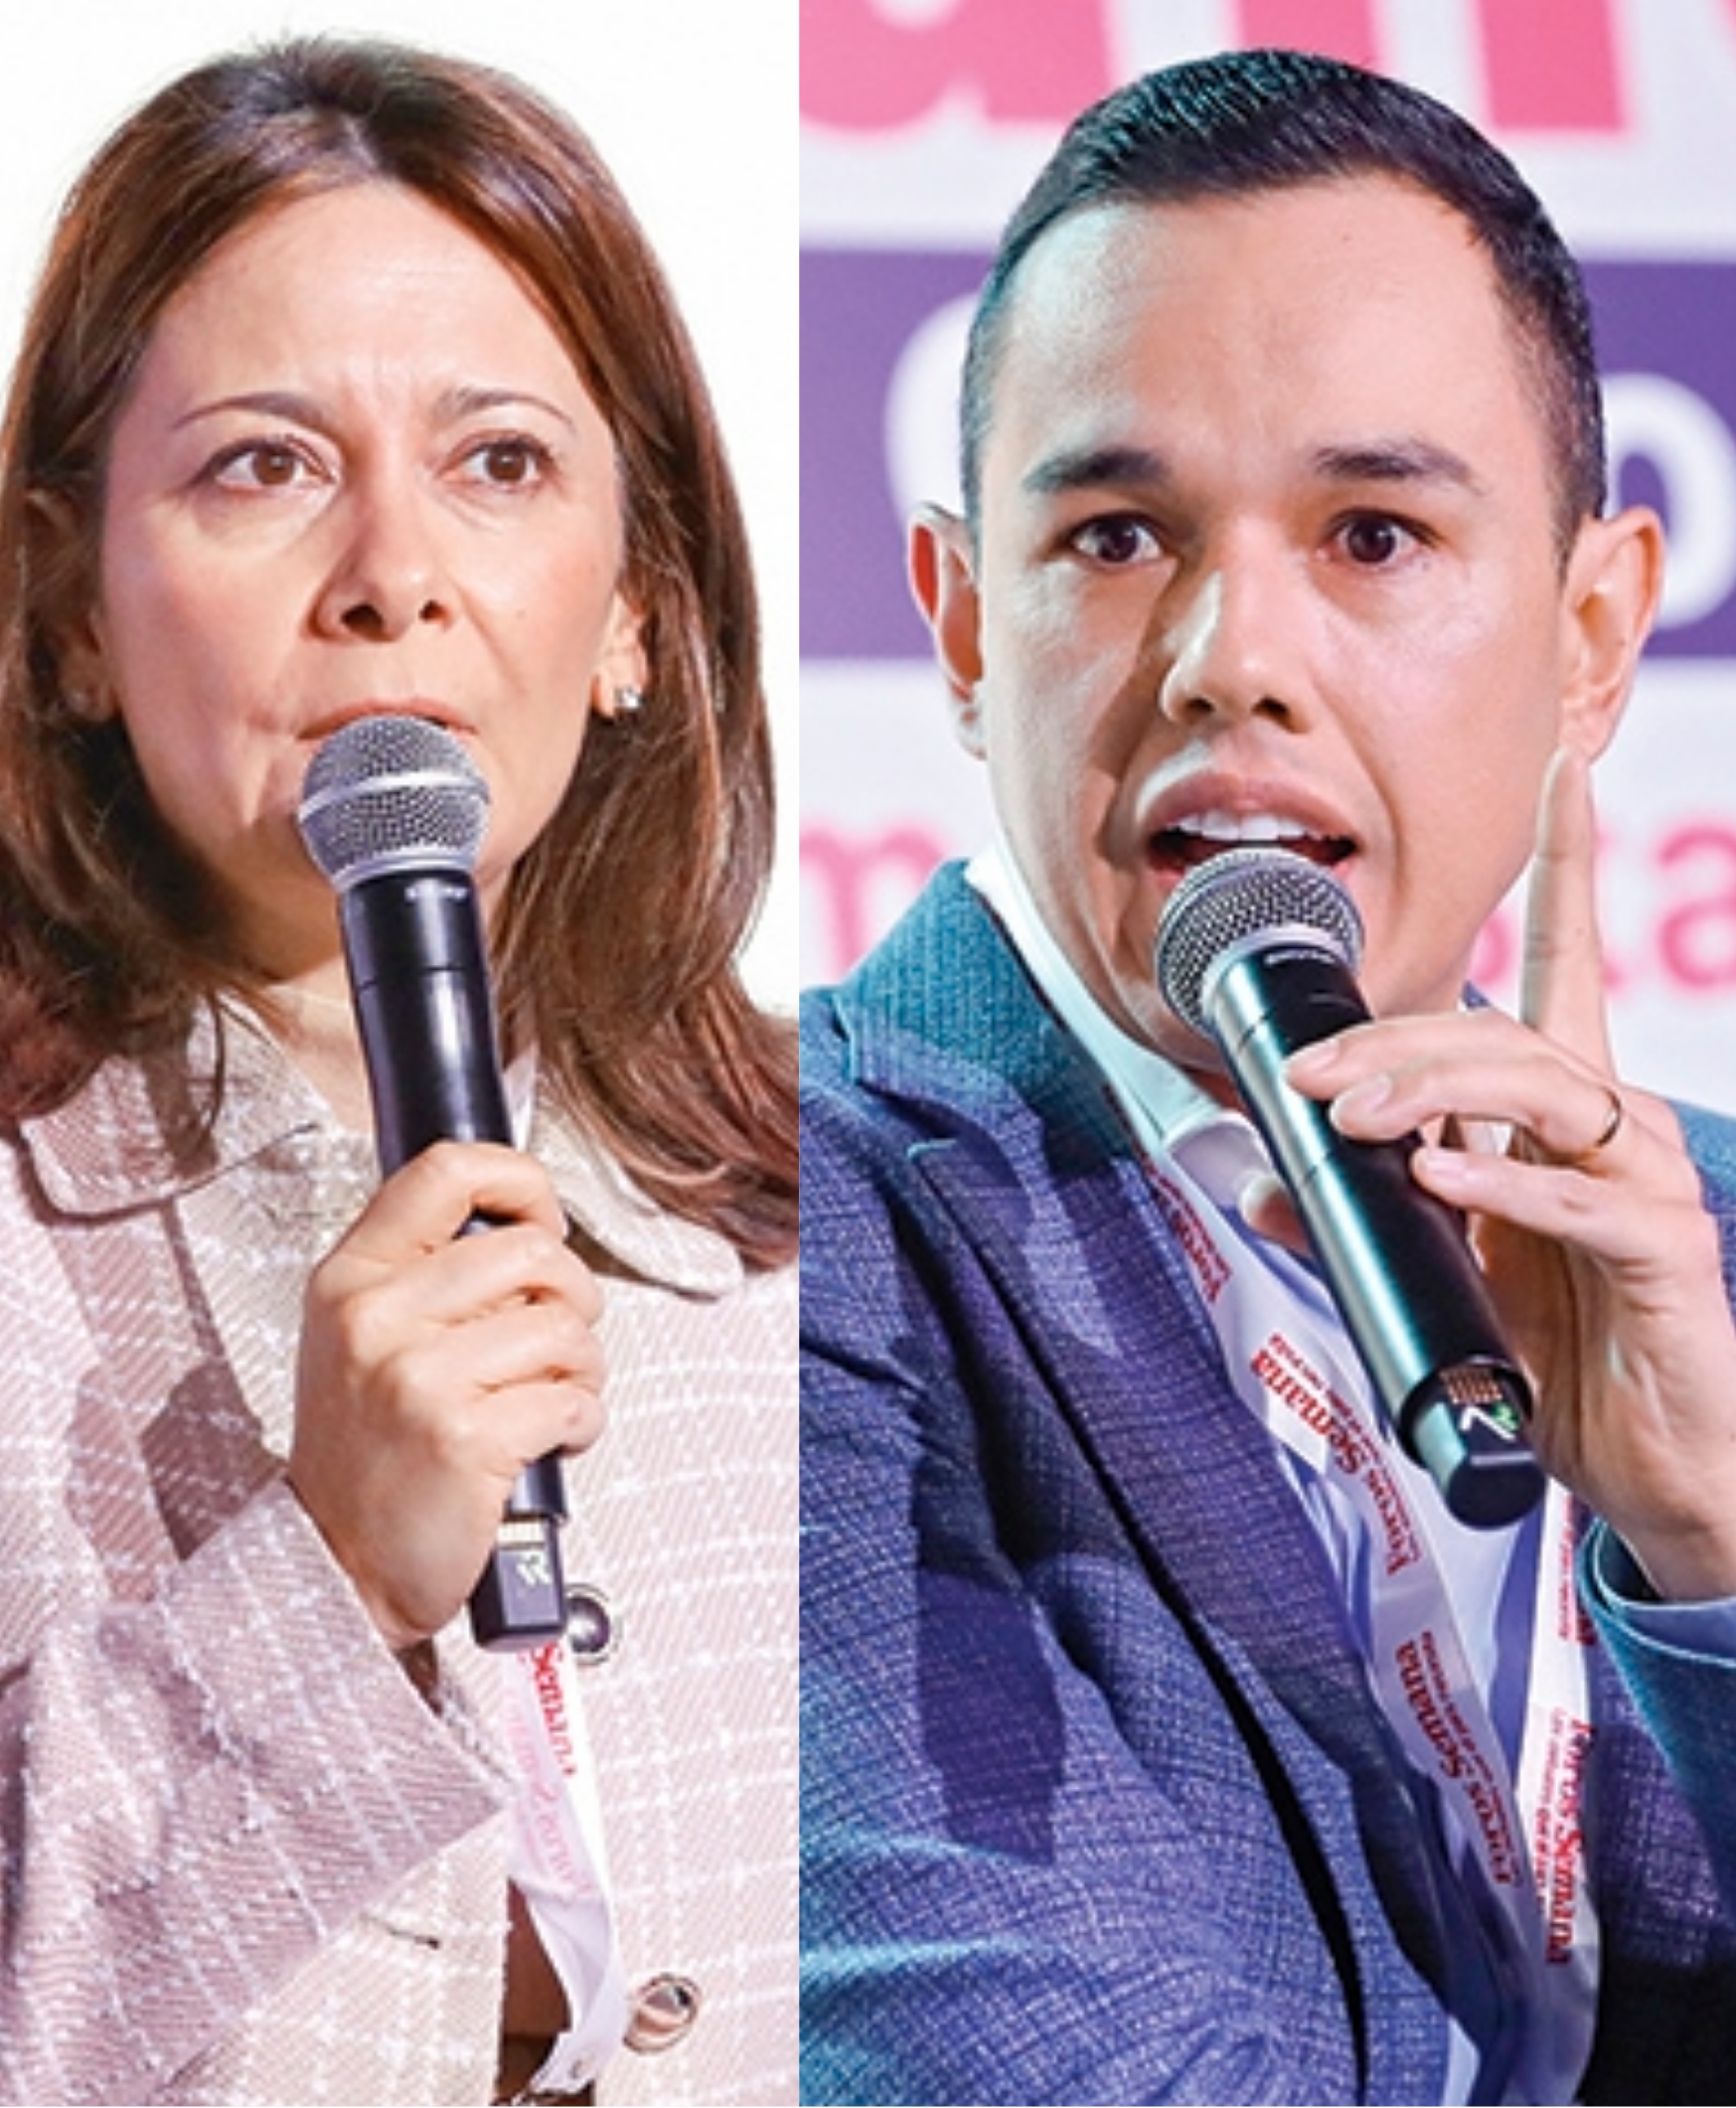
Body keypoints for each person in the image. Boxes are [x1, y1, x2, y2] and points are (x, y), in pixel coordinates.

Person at [0, 40, 800, 2106]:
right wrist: (325, 1588)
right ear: (66, 613)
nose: (393, 569)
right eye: (261, 466)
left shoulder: (822, 1213)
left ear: (636, 609)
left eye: (498, 464)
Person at [802, 48, 1736, 2106]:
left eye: (1373, 533)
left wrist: (1706, 1551)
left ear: (1591, 635)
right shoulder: (757, 1224)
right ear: (962, 629)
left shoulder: (1714, 1244)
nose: (1232, 651)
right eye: (1118, 533)